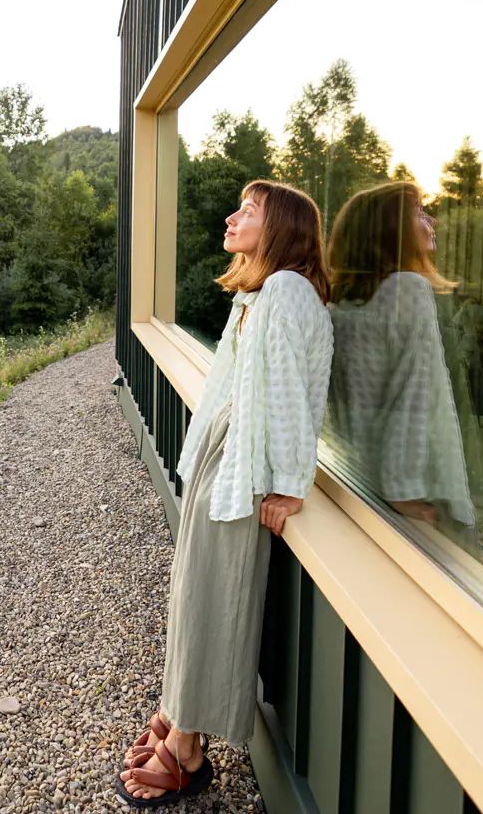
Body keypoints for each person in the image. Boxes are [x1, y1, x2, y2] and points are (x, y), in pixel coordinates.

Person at [117, 180, 334, 808]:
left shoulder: (288, 291)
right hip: (228, 449)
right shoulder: (262, 291)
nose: (233, 217)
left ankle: (186, 748)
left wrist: (289, 488)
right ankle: (175, 708)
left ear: (283, 229)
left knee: (216, 593)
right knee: (193, 586)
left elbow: (295, 397)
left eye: (251, 210)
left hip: (246, 460)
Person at [325, 182, 476, 532]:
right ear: (392, 229)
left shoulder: (342, 303)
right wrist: (404, 491)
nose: (431, 219)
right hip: (409, 492)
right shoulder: (406, 289)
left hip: (358, 474)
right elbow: (412, 396)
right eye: (419, 212)